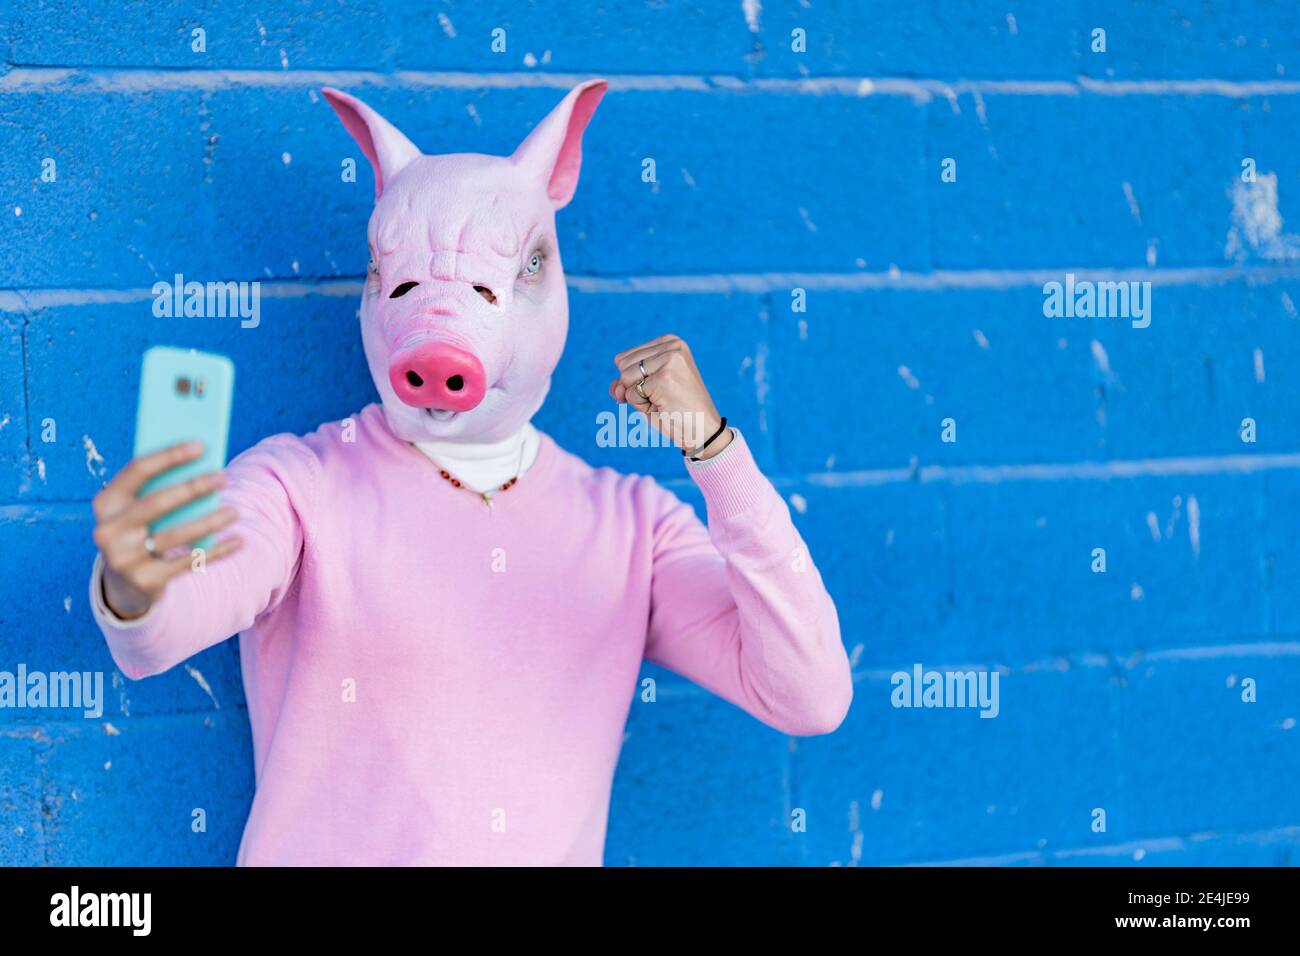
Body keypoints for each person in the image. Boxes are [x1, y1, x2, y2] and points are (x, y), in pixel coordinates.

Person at [87, 80, 853, 865]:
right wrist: (137, 582)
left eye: (505, 276)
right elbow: (159, 635)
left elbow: (809, 693)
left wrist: (715, 452)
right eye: (406, 281)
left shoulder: (635, 527)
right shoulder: (298, 486)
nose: (441, 322)